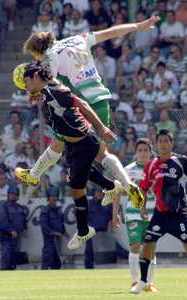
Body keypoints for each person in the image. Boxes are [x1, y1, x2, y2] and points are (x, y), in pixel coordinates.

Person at [14, 62, 145, 250]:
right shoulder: (48, 89)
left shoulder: (55, 91)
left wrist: (102, 128)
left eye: (26, 81)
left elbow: (81, 104)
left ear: (35, 77)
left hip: (84, 142)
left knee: (76, 187)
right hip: (75, 144)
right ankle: (112, 186)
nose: (24, 85)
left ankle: (84, 230)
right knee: (77, 174)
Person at [131, 130, 187, 294]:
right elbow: (143, 188)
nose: (163, 144)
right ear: (156, 144)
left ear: (172, 143)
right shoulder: (151, 165)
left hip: (179, 214)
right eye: (160, 141)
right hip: (160, 215)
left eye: (166, 141)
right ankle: (142, 282)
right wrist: (142, 209)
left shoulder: (181, 162)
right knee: (147, 245)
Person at [125, 138, 156, 292]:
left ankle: (149, 283)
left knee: (150, 249)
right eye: (140, 150)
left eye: (146, 150)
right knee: (136, 245)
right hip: (133, 214)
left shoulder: (157, 169)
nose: (143, 153)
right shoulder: (127, 170)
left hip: (153, 214)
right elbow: (118, 191)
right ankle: (134, 281)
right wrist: (114, 212)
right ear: (136, 153)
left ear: (150, 152)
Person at [0, 185, 27, 270]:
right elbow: (2, 221)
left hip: (16, 238)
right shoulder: (3, 206)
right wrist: (11, 230)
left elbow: (23, 220)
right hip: (6, 237)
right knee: (6, 258)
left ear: (18, 196)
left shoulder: (20, 208)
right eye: (12, 194)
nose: (14, 196)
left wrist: (23, 229)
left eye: (16, 194)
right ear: (8, 194)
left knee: (14, 260)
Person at [84, 185, 112, 269]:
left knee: (108, 251)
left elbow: (111, 217)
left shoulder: (107, 204)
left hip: (103, 233)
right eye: (98, 192)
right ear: (94, 193)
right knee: (89, 250)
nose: (100, 194)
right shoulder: (88, 204)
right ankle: (88, 268)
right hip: (91, 232)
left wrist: (110, 226)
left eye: (102, 192)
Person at [40, 186, 66, 269]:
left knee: (57, 264)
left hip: (58, 242)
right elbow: (44, 227)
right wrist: (53, 233)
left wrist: (64, 232)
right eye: (52, 196)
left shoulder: (58, 210)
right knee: (47, 262)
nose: (54, 198)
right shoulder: (45, 210)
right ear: (48, 198)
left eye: (55, 196)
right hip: (49, 241)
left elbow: (61, 224)